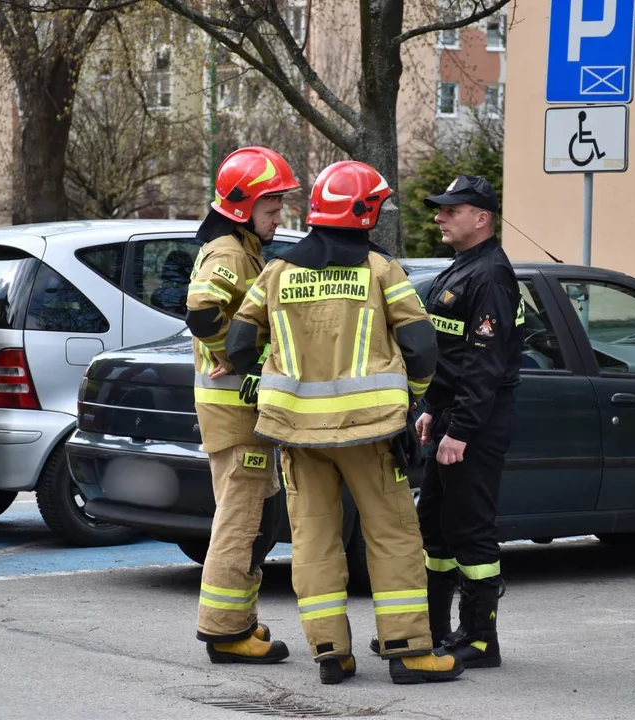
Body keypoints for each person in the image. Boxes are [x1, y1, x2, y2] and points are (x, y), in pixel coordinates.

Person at [226, 160, 463, 686]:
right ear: (365, 211)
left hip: (295, 435)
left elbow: (240, 345)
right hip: (370, 432)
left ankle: (331, 653)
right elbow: (423, 348)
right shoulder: (381, 270)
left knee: (313, 541)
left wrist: (275, 374)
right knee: (394, 535)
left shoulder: (277, 272)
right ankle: (408, 652)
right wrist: (412, 400)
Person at [184, 146, 299, 664]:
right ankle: (226, 632)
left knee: (262, 517)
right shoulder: (229, 251)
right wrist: (239, 352)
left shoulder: (244, 247)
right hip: (234, 417)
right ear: (241, 207)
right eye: (272, 211)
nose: (280, 220)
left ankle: (239, 618)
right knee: (243, 523)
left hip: (245, 416)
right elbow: (203, 313)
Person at [414, 174, 523, 669]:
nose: (439, 216)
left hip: (475, 426)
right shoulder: (462, 268)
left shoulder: (491, 276)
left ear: (481, 218)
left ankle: (480, 640)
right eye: (440, 209)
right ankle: (434, 631)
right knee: (435, 528)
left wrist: (459, 431)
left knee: (471, 532)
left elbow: (485, 365)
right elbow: (450, 354)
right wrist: (433, 410)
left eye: (450, 210)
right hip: (451, 417)